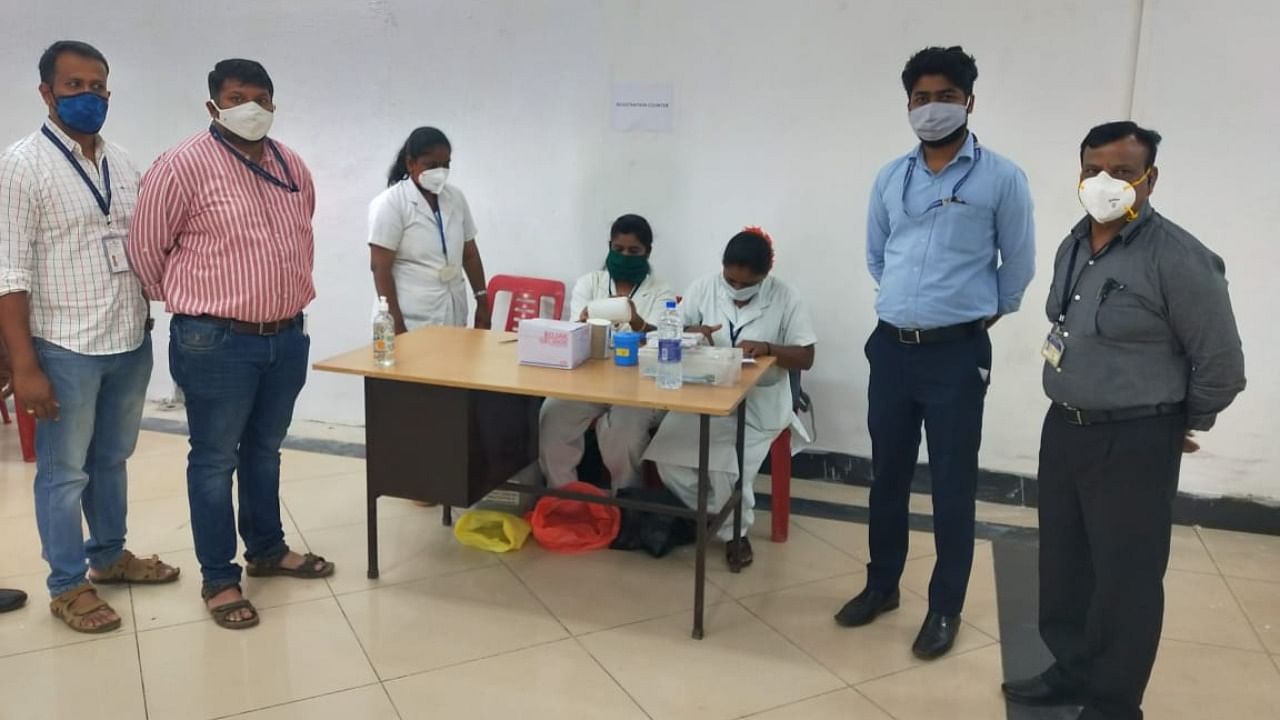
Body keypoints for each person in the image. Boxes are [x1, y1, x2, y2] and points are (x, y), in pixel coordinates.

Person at [1001, 122, 1245, 720]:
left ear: (1149, 178)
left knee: (1125, 578)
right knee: (1063, 562)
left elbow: (1222, 365)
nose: (1104, 182)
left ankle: (1113, 703)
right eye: (1092, 169)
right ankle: (1072, 669)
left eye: (1121, 170)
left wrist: (1180, 421)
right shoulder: (1073, 244)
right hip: (1065, 428)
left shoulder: (1180, 259)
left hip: (1136, 439)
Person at [836, 45, 1035, 660]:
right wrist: (909, 307)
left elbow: (1017, 270)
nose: (932, 109)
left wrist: (966, 320)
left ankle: (944, 607)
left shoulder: (1001, 177)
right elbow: (877, 255)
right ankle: (881, 586)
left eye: (945, 96)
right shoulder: (891, 177)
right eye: (920, 99)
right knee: (887, 477)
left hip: (956, 354)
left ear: (969, 101)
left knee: (951, 483)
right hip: (891, 349)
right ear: (908, 106)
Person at [128, 59, 333, 631]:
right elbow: (147, 248)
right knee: (215, 459)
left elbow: (302, 229)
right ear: (214, 106)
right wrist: (193, 304)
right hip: (214, 340)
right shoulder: (182, 164)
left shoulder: (291, 165)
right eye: (239, 97)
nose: (252, 107)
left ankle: (267, 550)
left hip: (286, 336)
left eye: (262, 97)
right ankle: (219, 577)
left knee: (265, 450)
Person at [0, 40, 179, 634]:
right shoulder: (21, 165)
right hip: (64, 345)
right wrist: (24, 364)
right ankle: (66, 582)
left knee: (112, 459)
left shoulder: (124, 163)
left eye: (97, 86)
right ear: (47, 92)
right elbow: (9, 273)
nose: (88, 96)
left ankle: (108, 557)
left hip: (128, 339)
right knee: (63, 471)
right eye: (73, 86)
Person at [644, 228, 816, 568]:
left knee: (724, 466)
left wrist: (768, 349)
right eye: (730, 280)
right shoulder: (704, 287)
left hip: (758, 402)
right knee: (668, 460)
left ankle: (735, 533)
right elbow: (669, 332)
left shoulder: (785, 297)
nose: (736, 289)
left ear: (765, 277)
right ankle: (714, 514)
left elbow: (805, 356)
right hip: (705, 394)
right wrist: (691, 333)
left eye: (746, 284)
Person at [539, 214, 676, 490]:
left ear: (647, 252)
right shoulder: (591, 283)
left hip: (637, 387)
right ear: (609, 246)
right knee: (553, 414)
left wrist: (635, 320)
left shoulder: (660, 290)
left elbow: (664, 341)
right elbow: (572, 334)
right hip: (590, 380)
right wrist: (584, 321)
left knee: (623, 433)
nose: (625, 256)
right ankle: (564, 495)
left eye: (633, 251)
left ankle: (625, 503)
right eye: (618, 249)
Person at [368, 127, 491, 333]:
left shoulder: (455, 198)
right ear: (411, 163)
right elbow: (380, 268)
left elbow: (469, 254)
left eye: (446, 165)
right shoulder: (391, 203)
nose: (440, 172)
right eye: (431, 165)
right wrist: (395, 324)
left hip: (451, 312)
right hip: (409, 319)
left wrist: (482, 299)